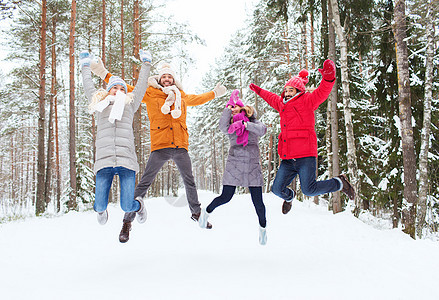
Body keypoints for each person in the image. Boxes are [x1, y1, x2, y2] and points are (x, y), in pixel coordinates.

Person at [90, 59, 227, 242]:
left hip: (180, 146)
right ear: (159, 79)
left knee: (190, 182)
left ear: (173, 79)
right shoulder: (150, 93)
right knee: (144, 184)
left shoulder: (182, 96)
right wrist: (103, 73)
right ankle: (127, 222)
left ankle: (196, 213)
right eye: (164, 76)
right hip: (160, 146)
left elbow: (199, 98)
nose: (167, 79)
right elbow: (127, 87)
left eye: (170, 76)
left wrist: (214, 93)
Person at [249, 59, 355, 215]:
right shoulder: (281, 104)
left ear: (298, 90)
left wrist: (328, 78)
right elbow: (270, 97)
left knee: (309, 190)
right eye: (286, 90)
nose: (287, 93)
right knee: (277, 189)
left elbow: (322, 92)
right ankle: (290, 197)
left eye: (291, 90)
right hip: (288, 157)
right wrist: (258, 90)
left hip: (305, 155)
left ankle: (340, 183)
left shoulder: (308, 100)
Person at [80, 49, 152, 225]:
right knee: (99, 204)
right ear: (108, 90)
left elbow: (141, 86)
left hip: (126, 160)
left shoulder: (130, 105)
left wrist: (146, 64)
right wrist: (85, 65)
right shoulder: (100, 105)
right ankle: (100, 211)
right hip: (104, 161)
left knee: (127, 206)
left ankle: (139, 206)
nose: (118, 90)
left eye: (122, 88)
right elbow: (88, 85)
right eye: (115, 88)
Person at [198, 90, 268, 245]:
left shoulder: (254, 122)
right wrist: (227, 110)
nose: (233, 109)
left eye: (236, 106)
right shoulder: (230, 126)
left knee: (258, 202)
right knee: (226, 197)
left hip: (252, 165)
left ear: (243, 108)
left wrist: (245, 124)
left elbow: (263, 130)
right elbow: (222, 127)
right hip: (234, 164)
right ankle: (206, 212)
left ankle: (263, 229)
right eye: (231, 107)